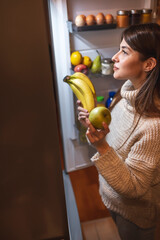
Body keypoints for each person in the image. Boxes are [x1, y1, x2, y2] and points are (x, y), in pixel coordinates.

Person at [77, 23, 160, 240]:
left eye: (124, 51)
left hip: (134, 214)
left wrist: (101, 146)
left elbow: (135, 188)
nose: (114, 57)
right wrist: (93, 130)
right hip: (112, 198)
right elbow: (110, 146)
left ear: (149, 64)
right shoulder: (124, 98)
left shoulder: (154, 127)